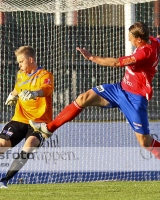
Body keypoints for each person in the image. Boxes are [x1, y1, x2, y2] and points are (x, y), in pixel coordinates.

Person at [29, 21, 160, 160]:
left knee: (145, 142)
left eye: (131, 37)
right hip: (119, 89)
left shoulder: (145, 53)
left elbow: (116, 63)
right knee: (83, 98)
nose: (128, 39)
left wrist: (91, 57)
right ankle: (49, 129)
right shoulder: (153, 41)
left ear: (139, 39)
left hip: (135, 99)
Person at [0, 46, 54, 188]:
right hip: (19, 119)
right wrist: (12, 95)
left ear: (31, 59)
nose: (19, 65)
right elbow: (18, 87)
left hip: (39, 122)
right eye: (18, 62)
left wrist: (35, 93)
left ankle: (4, 181)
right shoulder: (20, 74)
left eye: (21, 61)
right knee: (1, 145)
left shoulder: (45, 75)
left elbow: (47, 89)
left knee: (30, 145)